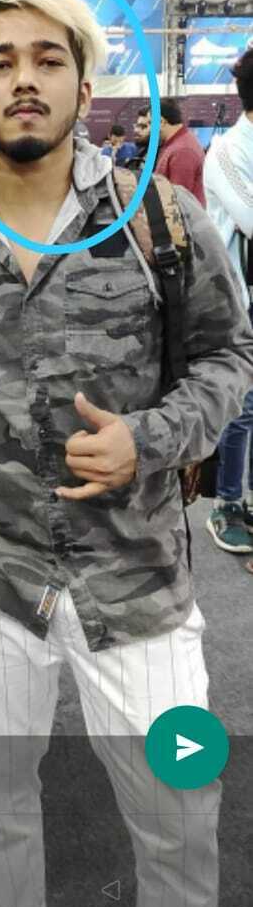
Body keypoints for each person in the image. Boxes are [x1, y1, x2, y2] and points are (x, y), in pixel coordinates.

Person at [0, 0, 253, 907]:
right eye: (0, 62)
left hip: (137, 581)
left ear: (83, 85)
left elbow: (230, 353)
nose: (24, 79)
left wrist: (151, 439)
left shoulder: (161, 220)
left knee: (180, 812)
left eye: (48, 59)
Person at [203, 48, 253, 560]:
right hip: (240, 300)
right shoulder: (225, 151)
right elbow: (250, 217)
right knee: (241, 408)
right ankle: (227, 504)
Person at [156, 96, 206, 205]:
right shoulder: (177, 144)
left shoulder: (182, 151)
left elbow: (179, 203)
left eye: (150, 123)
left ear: (161, 122)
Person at [124, 104, 151, 172]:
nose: (136, 130)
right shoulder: (143, 151)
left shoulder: (164, 155)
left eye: (143, 126)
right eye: (137, 126)